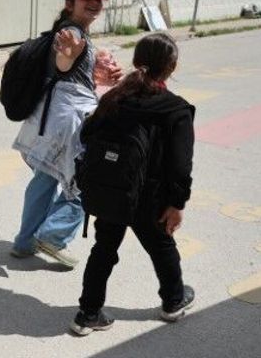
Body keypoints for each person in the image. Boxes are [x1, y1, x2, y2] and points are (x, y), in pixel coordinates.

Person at [71, 32, 195, 335]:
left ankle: (87, 314)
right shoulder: (175, 109)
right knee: (162, 247)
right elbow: (180, 165)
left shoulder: (115, 98)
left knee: (104, 250)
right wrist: (176, 204)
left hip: (111, 192)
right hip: (150, 198)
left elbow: (86, 135)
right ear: (172, 67)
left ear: (137, 62)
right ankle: (173, 302)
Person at [11, 0, 122, 268]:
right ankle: (53, 236)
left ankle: (24, 242)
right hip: (67, 122)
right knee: (86, 180)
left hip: (52, 118)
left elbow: (66, 74)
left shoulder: (71, 32)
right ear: (70, 3)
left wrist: (96, 77)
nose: (95, 4)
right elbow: (63, 64)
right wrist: (68, 56)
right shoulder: (70, 34)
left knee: (45, 179)